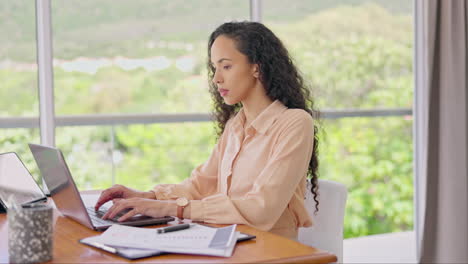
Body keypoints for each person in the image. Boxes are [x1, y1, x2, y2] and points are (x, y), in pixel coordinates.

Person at [95, 21, 319, 240]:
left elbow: (261, 208)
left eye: (226, 66)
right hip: (226, 242)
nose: (216, 78)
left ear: (256, 67)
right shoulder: (235, 126)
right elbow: (200, 185)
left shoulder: (295, 123)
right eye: (215, 68)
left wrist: (171, 208)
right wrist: (148, 197)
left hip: (271, 250)